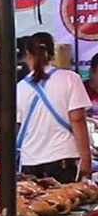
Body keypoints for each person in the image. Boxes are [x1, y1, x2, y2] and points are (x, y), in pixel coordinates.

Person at [16, 32, 92, 182]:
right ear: (53, 53)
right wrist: (86, 159)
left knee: (35, 198)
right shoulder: (70, 79)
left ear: (28, 55)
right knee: (65, 197)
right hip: (63, 158)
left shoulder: (19, 87)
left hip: (29, 161)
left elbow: (17, 125)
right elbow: (77, 119)